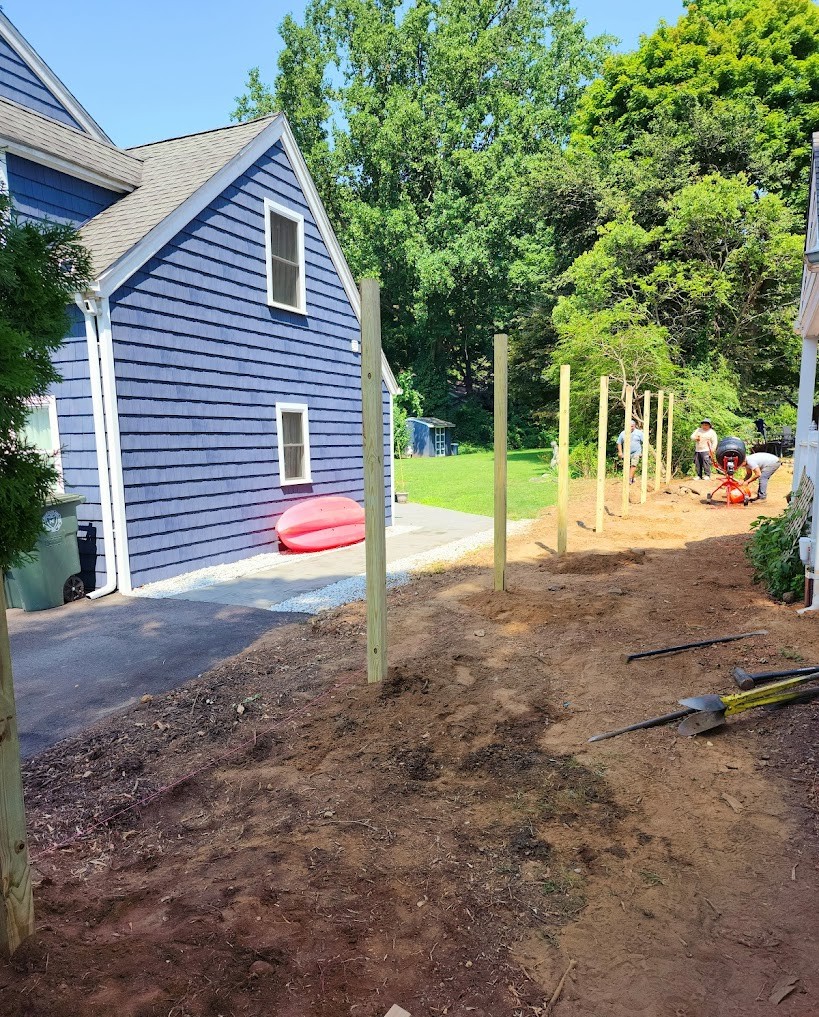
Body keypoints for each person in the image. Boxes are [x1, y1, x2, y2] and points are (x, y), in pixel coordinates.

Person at [617, 419, 644, 484]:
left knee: (633, 465)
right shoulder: (623, 433)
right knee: (628, 466)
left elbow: (645, 442)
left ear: (634, 426)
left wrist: (643, 452)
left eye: (632, 426)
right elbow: (619, 443)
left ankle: (629, 479)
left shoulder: (639, 433)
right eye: (629, 426)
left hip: (636, 452)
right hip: (627, 452)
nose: (631, 427)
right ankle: (632, 478)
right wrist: (620, 452)